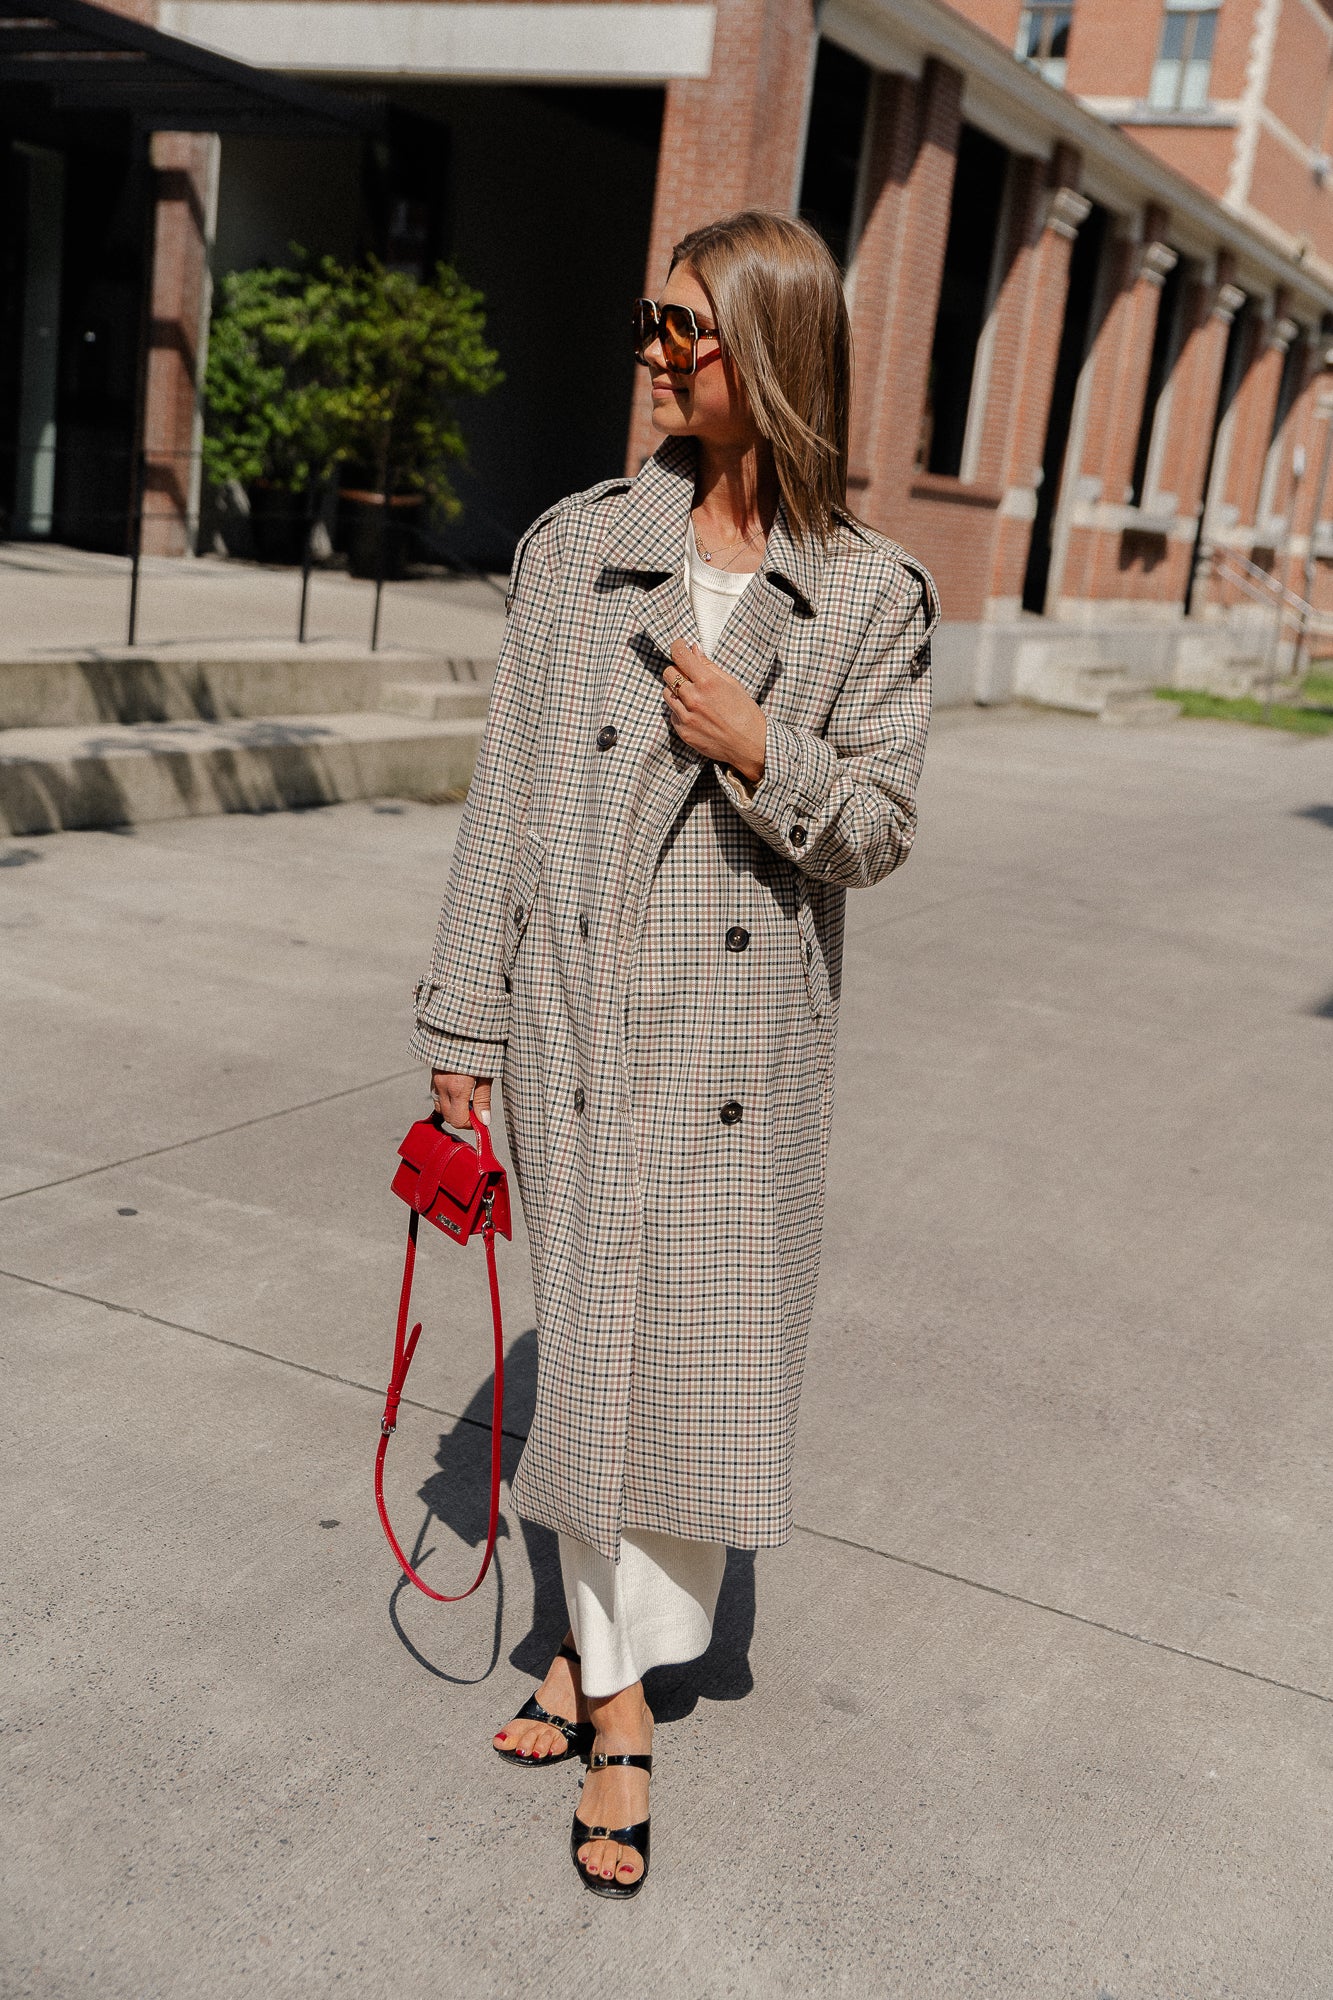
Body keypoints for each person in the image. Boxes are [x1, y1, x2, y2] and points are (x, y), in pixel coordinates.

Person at [411, 208, 937, 1899]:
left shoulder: (867, 593)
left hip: (737, 1041)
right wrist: (459, 1020)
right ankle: (618, 1698)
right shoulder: (577, 547)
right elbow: (505, 800)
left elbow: (876, 833)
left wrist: (762, 745)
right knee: (595, 1348)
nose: (653, 347)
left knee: (690, 1377)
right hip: (575, 1013)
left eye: (685, 326)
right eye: (652, 319)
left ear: (770, 349)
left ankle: (594, 1665)